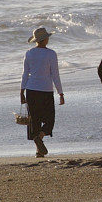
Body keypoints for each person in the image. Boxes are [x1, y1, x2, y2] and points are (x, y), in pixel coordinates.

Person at [20, 27, 64, 157]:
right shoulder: (51, 54)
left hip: (31, 90)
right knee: (49, 119)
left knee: (35, 120)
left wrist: (21, 91)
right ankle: (40, 137)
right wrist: (60, 93)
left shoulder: (29, 53)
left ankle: (38, 147)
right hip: (46, 90)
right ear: (44, 39)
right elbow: (55, 75)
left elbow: (25, 74)